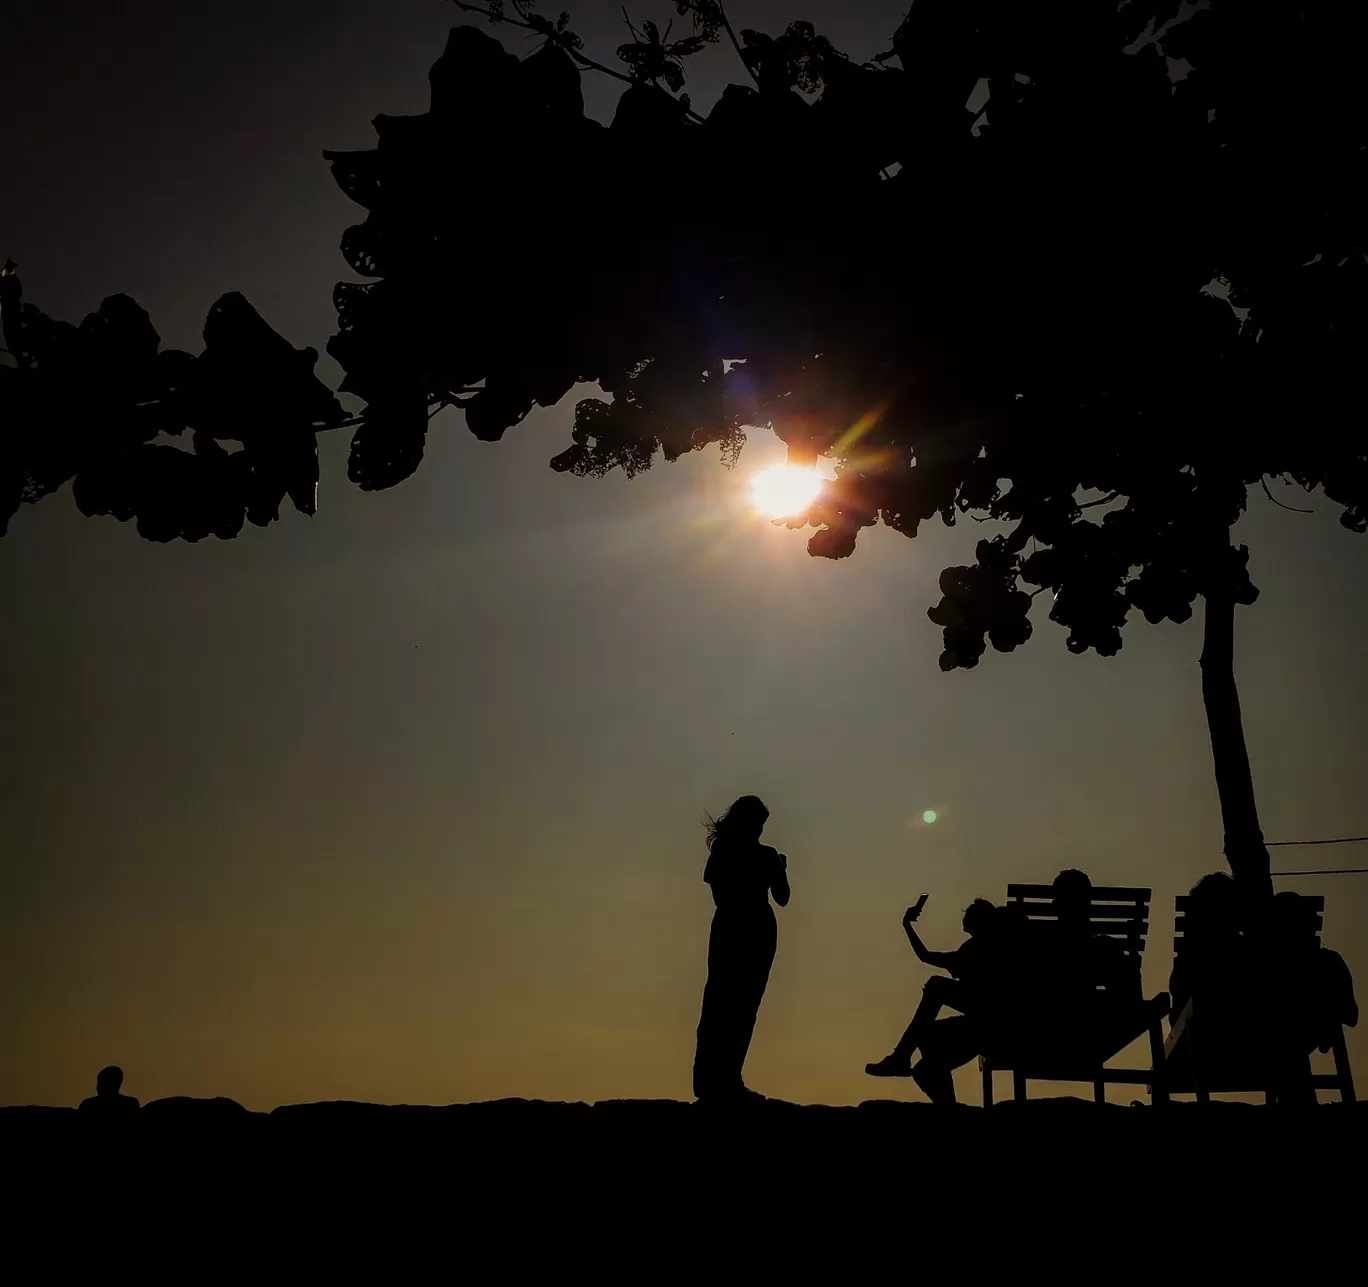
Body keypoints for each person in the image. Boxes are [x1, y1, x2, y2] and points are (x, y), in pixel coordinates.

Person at [692, 795, 789, 1102]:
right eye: (759, 824)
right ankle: (724, 1079)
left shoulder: (722, 850)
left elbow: (717, 891)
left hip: (731, 926)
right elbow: (783, 897)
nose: (760, 830)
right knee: (738, 1005)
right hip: (753, 927)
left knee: (726, 1002)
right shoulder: (766, 856)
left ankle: (715, 1079)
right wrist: (780, 868)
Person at [865, 897, 1000, 1079]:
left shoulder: (978, 948)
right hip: (983, 1011)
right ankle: (902, 1057)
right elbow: (926, 956)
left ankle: (901, 1057)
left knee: (936, 986)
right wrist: (907, 926)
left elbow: (925, 956)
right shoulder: (978, 947)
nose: (964, 918)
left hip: (985, 1011)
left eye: (969, 914)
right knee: (927, 1026)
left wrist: (907, 925)